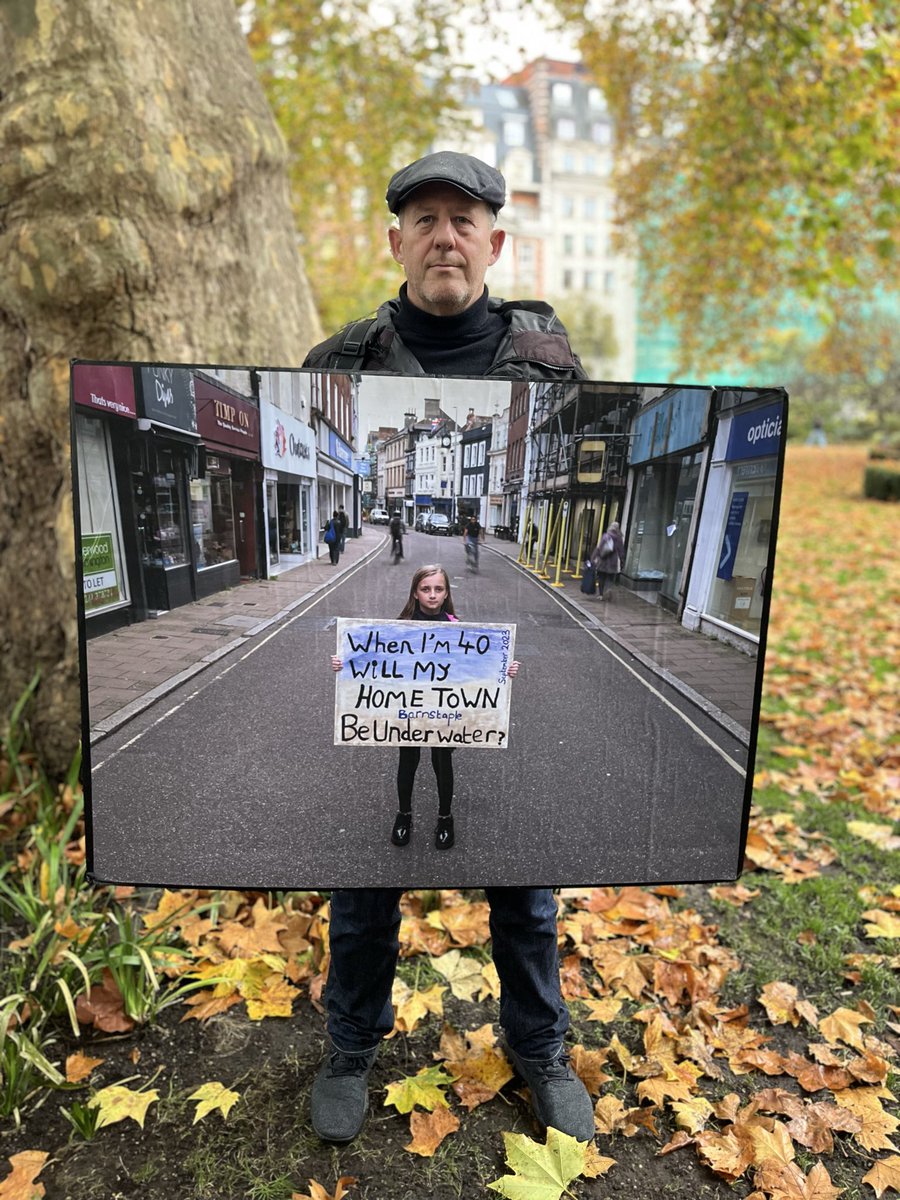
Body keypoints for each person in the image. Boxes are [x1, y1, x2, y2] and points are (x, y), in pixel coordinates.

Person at [304, 150, 594, 1147]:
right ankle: (351, 1040)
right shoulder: (338, 360)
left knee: (526, 878)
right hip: (399, 678)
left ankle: (540, 1047)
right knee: (363, 885)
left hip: (490, 670)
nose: (443, 235)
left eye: (464, 219)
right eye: (422, 218)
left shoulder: (549, 360)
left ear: (494, 242)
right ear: (395, 241)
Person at [330, 564, 518, 851]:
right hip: (408, 712)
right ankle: (404, 815)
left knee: (443, 764)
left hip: (444, 713)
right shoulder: (399, 627)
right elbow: (372, 659)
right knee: (408, 761)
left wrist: (505, 669)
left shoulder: (457, 628)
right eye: (426, 589)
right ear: (415, 593)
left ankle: (445, 818)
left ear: (446, 594)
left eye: (438, 589)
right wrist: (344, 663)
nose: (432, 595)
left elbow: (480, 666)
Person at [590, 521, 625, 600]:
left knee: (601, 577)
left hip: (603, 561)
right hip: (613, 562)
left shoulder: (606, 536)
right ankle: (609, 589)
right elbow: (621, 552)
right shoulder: (619, 538)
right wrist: (622, 562)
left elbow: (599, 548)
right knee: (610, 578)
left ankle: (601, 595)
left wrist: (593, 558)